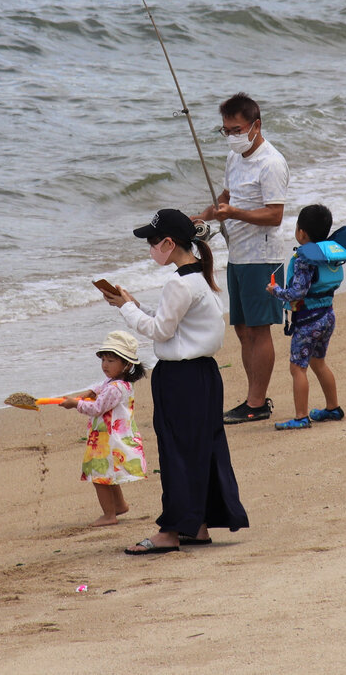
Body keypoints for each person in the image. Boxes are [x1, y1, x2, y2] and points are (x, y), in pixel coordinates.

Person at [101, 209, 249, 554]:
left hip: (181, 378)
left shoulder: (179, 283)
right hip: (204, 376)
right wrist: (135, 306)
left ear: (169, 243)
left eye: (153, 242)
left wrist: (126, 308)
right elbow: (172, 326)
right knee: (202, 449)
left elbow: (159, 331)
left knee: (178, 452)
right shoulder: (201, 279)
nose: (150, 248)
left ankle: (170, 531)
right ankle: (195, 525)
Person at [193, 92, 290, 425]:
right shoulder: (235, 157)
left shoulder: (271, 162)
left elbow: (275, 215)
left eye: (236, 129)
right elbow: (226, 197)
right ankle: (253, 395)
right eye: (226, 130)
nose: (232, 136)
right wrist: (203, 216)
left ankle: (257, 402)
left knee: (260, 330)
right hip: (238, 254)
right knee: (242, 329)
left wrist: (236, 213)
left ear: (255, 125)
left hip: (263, 257)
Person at [266, 204, 346, 430]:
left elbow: (297, 293)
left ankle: (300, 417)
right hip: (327, 316)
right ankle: (332, 408)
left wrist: (275, 291)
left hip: (308, 321)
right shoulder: (330, 255)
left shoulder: (304, 259)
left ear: (301, 233)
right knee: (319, 362)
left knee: (298, 368)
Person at [58, 330, 148, 527]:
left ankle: (109, 515)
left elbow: (97, 408)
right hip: (107, 438)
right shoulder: (117, 383)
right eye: (104, 360)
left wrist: (75, 404)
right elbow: (101, 386)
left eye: (111, 361)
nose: (105, 365)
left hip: (108, 441)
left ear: (127, 364)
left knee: (99, 476)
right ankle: (120, 506)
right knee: (108, 475)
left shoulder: (116, 389)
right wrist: (90, 391)